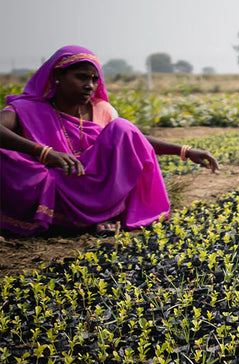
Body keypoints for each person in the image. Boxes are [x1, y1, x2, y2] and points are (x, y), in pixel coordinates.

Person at [0, 45, 219, 236]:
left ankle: (106, 213)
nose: (89, 85)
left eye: (94, 79)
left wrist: (185, 151)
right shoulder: (28, 109)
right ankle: (79, 219)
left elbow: (135, 139)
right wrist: (43, 152)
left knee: (123, 127)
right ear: (57, 76)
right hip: (57, 189)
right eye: (81, 77)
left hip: (97, 188)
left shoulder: (101, 109)